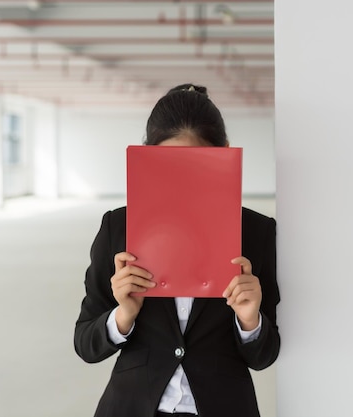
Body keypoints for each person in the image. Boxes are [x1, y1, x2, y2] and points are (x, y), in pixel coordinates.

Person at [74, 84, 280, 417]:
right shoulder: (118, 227)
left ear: (223, 153)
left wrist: (250, 320)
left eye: (196, 163)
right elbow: (85, 344)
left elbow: (265, 355)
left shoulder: (256, 232)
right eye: (168, 164)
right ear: (146, 156)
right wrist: (122, 315)